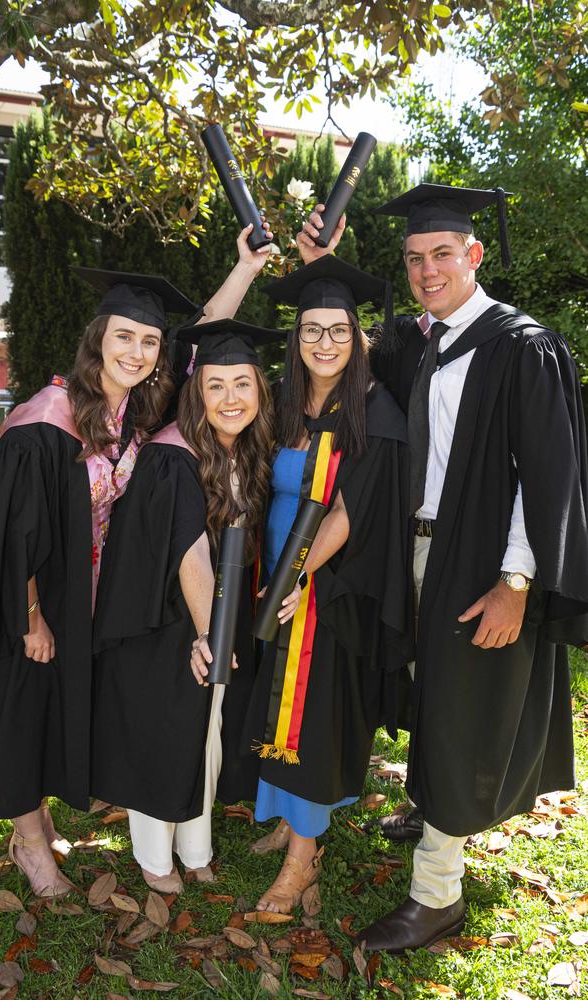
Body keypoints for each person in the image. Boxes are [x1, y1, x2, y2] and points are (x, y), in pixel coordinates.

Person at [300, 184, 588, 952]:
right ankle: (432, 806)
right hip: (414, 547)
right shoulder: (415, 341)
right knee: (431, 690)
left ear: (475, 254)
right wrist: (325, 266)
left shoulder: (521, 347)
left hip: (481, 561)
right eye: (414, 257)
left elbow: (546, 476)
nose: (427, 269)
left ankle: (437, 897)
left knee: (464, 712)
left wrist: (517, 580)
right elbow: (343, 350)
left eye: (442, 254)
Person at [0, 270, 197, 897]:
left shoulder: (131, 412)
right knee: (21, 712)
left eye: (150, 343)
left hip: (81, 598)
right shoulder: (49, 419)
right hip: (28, 598)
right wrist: (31, 616)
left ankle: (38, 820)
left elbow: (203, 338)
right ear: (97, 339)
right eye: (124, 337)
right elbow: (11, 533)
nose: (136, 352)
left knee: (51, 712)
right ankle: (29, 843)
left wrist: (247, 267)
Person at [226, 256, 413, 914]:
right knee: (277, 705)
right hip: (273, 578)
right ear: (295, 336)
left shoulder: (372, 408)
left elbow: (348, 512)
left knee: (311, 713)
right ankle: (286, 820)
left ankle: (304, 861)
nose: (324, 343)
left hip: (328, 587)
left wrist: (296, 579)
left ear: (356, 337)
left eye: (338, 330)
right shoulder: (283, 403)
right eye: (311, 329)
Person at [92, 318, 283, 892]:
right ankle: (155, 858)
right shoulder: (174, 456)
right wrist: (209, 634)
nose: (231, 398)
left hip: (212, 616)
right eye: (216, 386)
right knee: (167, 731)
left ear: (259, 391)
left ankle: (195, 845)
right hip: (164, 620)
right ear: (196, 394)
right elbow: (187, 552)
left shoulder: (245, 450)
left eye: (243, 384)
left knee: (209, 732)